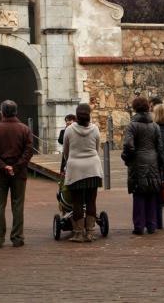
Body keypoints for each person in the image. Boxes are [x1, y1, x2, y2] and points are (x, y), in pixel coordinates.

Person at [0, 100, 34, 248]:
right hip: (19, 173)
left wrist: (3, 165)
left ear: (2, 112)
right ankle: (17, 237)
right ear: (16, 112)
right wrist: (16, 167)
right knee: (18, 205)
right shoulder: (24, 129)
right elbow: (29, 150)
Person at [62, 103, 104, 242]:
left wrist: (71, 160)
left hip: (76, 169)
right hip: (93, 167)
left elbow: (66, 151)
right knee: (91, 201)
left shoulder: (69, 130)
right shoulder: (95, 129)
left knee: (77, 202)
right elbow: (97, 149)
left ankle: (78, 233)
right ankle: (90, 232)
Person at [122, 96, 163, 235]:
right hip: (152, 161)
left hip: (138, 162)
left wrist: (128, 158)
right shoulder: (155, 126)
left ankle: (139, 225)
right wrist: (160, 163)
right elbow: (160, 147)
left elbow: (128, 145)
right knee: (151, 193)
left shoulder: (132, 125)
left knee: (138, 193)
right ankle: (151, 224)